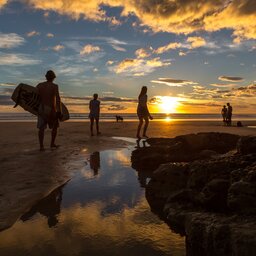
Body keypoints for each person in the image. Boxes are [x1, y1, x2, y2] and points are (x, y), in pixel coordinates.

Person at [37, 70, 62, 151]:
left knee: (41, 128)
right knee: (54, 127)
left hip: (41, 108)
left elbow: (34, 97)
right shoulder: (54, 86)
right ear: (53, 77)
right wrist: (59, 111)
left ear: (46, 76)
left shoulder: (39, 85)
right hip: (51, 109)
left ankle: (41, 146)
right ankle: (52, 144)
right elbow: (58, 99)